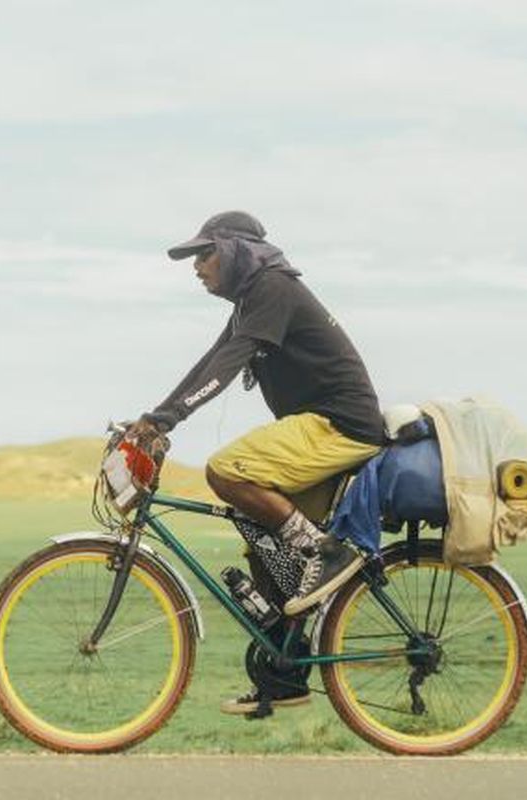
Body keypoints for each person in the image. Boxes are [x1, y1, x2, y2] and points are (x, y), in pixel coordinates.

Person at [127, 210, 384, 714]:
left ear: (237, 249)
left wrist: (168, 420)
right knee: (264, 544)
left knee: (226, 470)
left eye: (205, 254)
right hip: (322, 427)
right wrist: (155, 417)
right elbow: (209, 361)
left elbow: (228, 364)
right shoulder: (253, 301)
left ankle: (325, 552)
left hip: (339, 425)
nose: (197, 266)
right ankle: (286, 676)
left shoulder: (273, 288)